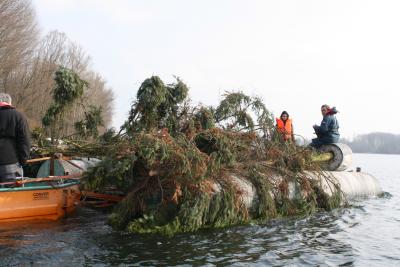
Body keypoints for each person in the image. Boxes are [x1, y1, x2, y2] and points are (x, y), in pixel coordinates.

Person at [0, 93, 30, 185]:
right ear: (9, 102)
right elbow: (24, 141)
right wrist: (23, 160)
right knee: (12, 195)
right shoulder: (19, 116)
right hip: (11, 162)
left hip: (10, 162)